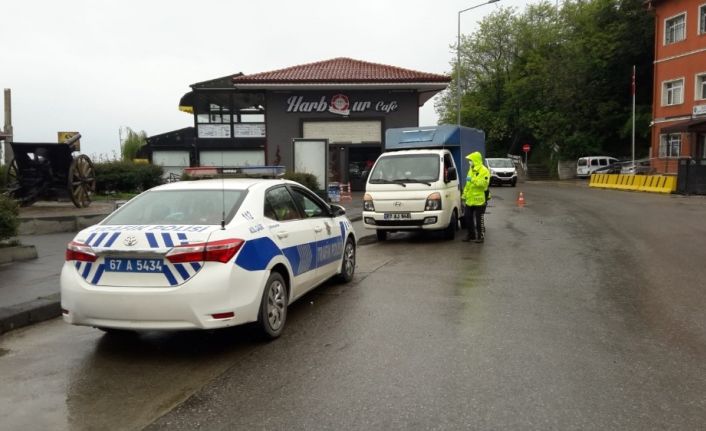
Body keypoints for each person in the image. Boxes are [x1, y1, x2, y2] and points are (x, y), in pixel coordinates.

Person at [462, 152, 490, 243]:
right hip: (470, 200)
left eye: (471, 160)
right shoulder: (471, 169)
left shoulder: (484, 170)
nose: (469, 162)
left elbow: (483, 184)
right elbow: (467, 184)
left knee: (479, 219)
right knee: (467, 217)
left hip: (479, 200)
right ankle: (471, 235)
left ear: (475, 160)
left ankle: (480, 237)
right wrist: (464, 195)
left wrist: (473, 180)